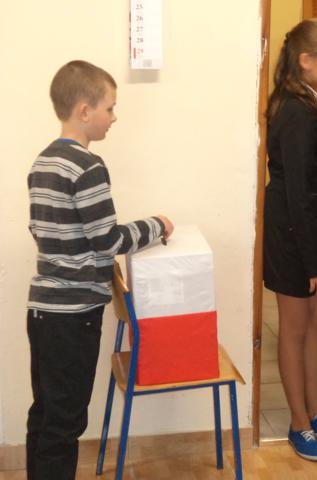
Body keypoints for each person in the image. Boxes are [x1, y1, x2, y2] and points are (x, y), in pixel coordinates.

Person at [26, 60, 174, 480]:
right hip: (74, 316)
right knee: (66, 421)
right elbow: (107, 241)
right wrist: (157, 225)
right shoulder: (88, 167)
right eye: (110, 108)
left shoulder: (42, 162)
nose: (114, 117)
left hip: (42, 311)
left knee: (46, 413)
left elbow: (40, 231)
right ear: (84, 110)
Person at [264, 18, 317, 462]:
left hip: (310, 230)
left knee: (315, 323)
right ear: (305, 60)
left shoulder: (310, 103)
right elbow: (297, 193)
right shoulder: (295, 111)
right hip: (292, 234)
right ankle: (298, 423)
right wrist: (315, 263)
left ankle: (314, 413)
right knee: (295, 328)